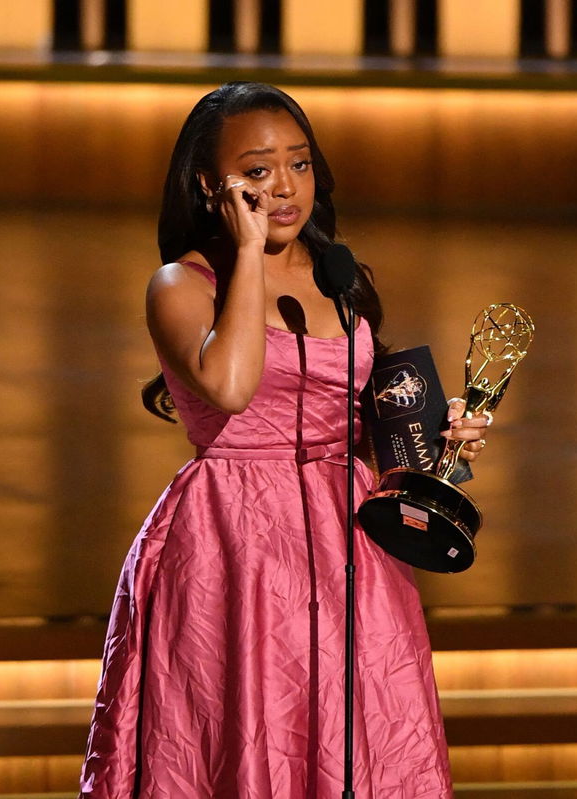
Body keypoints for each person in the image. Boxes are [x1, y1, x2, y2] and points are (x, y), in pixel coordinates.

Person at [79, 82, 490, 799]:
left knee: (360, 737)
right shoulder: (182, 284)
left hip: (350, 540)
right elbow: (231, 386)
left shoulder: (339, 279)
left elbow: (359, 419)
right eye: (259, 170)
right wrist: (245, 253)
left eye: (299, 165)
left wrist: (438, 437)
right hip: (232, 545)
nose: (285, 188)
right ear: (212, 185)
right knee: (244, 738)